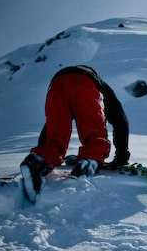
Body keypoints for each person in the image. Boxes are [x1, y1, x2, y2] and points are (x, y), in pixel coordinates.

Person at [20, 65, 130, 201]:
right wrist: (122, 156)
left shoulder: (69, 86)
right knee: (95, 135)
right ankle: (88, 162)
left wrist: (43, 156)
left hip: (56, 85)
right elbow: (121, 121)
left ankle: (35, 162)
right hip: (84, 80)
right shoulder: (104, 89)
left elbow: (50, 128)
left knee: (55, 139)